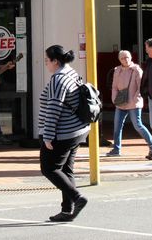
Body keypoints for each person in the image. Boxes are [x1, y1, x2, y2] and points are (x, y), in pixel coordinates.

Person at [38, 45, 89, 223]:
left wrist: (48, 135)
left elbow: (54, 108)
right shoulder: (72, 73)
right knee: (66, 170)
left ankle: (77, 198)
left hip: (63, 132)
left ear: (55, 61)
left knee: (49, 168)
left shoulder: (58, 79)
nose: (45, 64)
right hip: (77, 130)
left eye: (47, 60)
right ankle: (67, 210)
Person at [106, 50, 152, 157]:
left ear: (131, 57)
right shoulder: (117, 70)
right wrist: (114, 99)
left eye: (127, 57)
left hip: (133, 102)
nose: (125, 60)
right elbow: (114, 87)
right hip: (121, 102)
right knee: (117, 126)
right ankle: (116, 149)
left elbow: (140, 87)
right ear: (119, 60)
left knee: (138, 125)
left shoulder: (136, 70)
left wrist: (135, 98)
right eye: (122, 58)